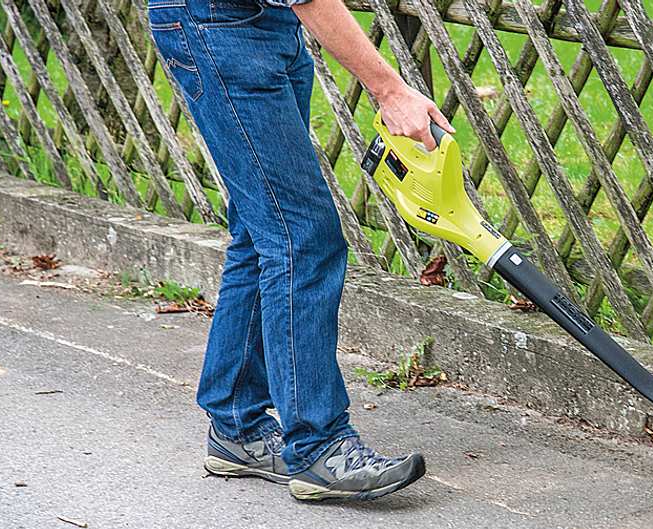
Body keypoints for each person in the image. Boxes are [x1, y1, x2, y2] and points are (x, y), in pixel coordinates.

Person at [147, 0, 453, 500]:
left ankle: (237, 427)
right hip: (218, 28)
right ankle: (318, 447)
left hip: (260, 23)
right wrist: (390, 89)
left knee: (261, 229)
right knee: (302, 236)